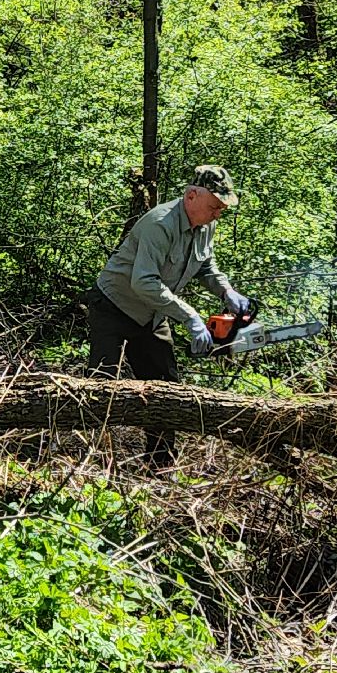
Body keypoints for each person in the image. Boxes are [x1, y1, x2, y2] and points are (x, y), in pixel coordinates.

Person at [87, 165, 252, 465]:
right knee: (100, 388)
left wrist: (226, 291)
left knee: (165, 388)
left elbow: (206, 266)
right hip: (113, 306)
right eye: (214, 206)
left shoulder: (206, 224)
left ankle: (160, 464)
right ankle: (88, 462)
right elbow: (143, 281)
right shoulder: (160, 223)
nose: (218, 214)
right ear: (192, 196)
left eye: (222, 209)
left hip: (152, 313)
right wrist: (190, 317)